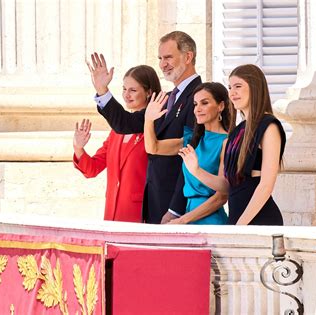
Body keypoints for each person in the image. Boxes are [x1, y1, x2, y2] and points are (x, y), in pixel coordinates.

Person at [87, 31, 226, 224]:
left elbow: (190, 156)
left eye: (168, 57)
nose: (162, 64)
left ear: (188, 57)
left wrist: (175, 209)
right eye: (160, 58)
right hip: (154, 201)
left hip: (177, 207)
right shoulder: (167, 98)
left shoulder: (198, 98)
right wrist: (102, 90)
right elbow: (125, 124)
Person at [179, 64, 286, 225]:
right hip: (236, 220)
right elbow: (226, 186)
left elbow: (265, 186)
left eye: (238, 86)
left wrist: (240, 226)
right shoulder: (236, 132)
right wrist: (196, 170)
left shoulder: (269, 126)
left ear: (255, 88)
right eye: (230, 87)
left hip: (259, 220)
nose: (232, 93)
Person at [73, 65, 162, 222]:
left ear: (148, 92)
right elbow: (92, 169)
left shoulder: (155, 127)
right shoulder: (116, 133)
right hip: (112, 213)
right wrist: (78, 148)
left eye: (133, 90)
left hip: (141, 214)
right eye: (124, 89)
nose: (126, 95)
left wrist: (102, 90)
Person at [144, 82, 229, 224]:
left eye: (205, 103)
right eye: (195, 104)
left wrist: (182, 220)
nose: (198, 109)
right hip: (187, 216)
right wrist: (148, 120)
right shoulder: (191, 140)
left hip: (210, 221)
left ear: (220, 106)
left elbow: (222, 196)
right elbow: (153, 148)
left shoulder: (226, 142)